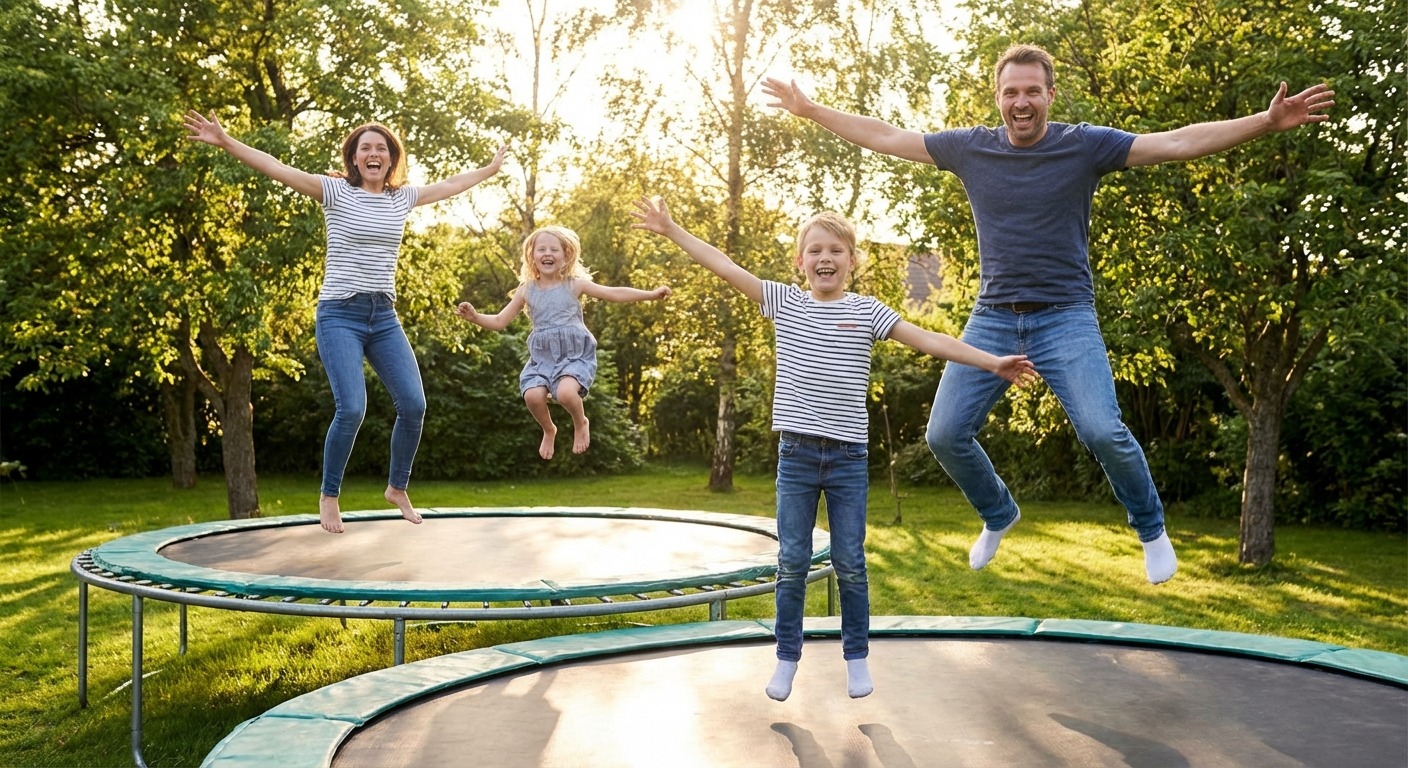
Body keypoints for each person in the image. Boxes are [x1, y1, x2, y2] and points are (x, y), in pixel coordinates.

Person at [761, 44, 1335, 584]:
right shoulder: (971, 149)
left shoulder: (1084, 145)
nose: (1021, 102)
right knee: (944, 434)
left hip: (1065, 316)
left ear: (1050, 96)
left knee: (1101, 429)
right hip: (992, 314)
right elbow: (886, 136)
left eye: (1032, 91)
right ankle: (999, 512)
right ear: (998, 97)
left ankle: (1151, 530)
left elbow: (1177, 143)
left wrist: (1264, 121)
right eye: (1011, 92)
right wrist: (810, 109)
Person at [631, 196, 1036, 701]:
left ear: (851, 260)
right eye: (815, 250)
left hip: (847, 460)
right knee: (793, 562)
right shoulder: (785, 301)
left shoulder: (867, 311)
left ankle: (857, 658)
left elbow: (930, 339)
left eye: (836, 250)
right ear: (800, 262)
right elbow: (724, 265)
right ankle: (785, 659)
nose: (826, 257)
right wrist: (673, 230)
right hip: (797, 456)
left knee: (850, 562)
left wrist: (991, 362)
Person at [184, 110, 509, 534]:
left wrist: (490, 168)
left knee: (414, 405)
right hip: (340, 314)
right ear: (354, 159)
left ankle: (397, 488)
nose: (373, 154)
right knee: (352, 407)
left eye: (381, 149)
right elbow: (276, 167)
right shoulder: (335, 192)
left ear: (391, 159)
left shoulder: (401, 198)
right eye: (365, 149)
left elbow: (449, 186)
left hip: (384, 316)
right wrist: (227, 142)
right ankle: (329, 495)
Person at [456, 225, 671, 460]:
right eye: (542, 249)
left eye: (554, 249)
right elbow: (499, 321)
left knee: (567, 393)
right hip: (542, 358)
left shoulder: (574, 284)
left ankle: (581, 422)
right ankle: (549, 429)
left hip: (574, 355)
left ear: (566, 255)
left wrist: (650, 294)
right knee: (532, 396)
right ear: (532, 256)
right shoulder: (526, 290)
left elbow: (614, 293)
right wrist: (475, 318)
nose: (547, 254)